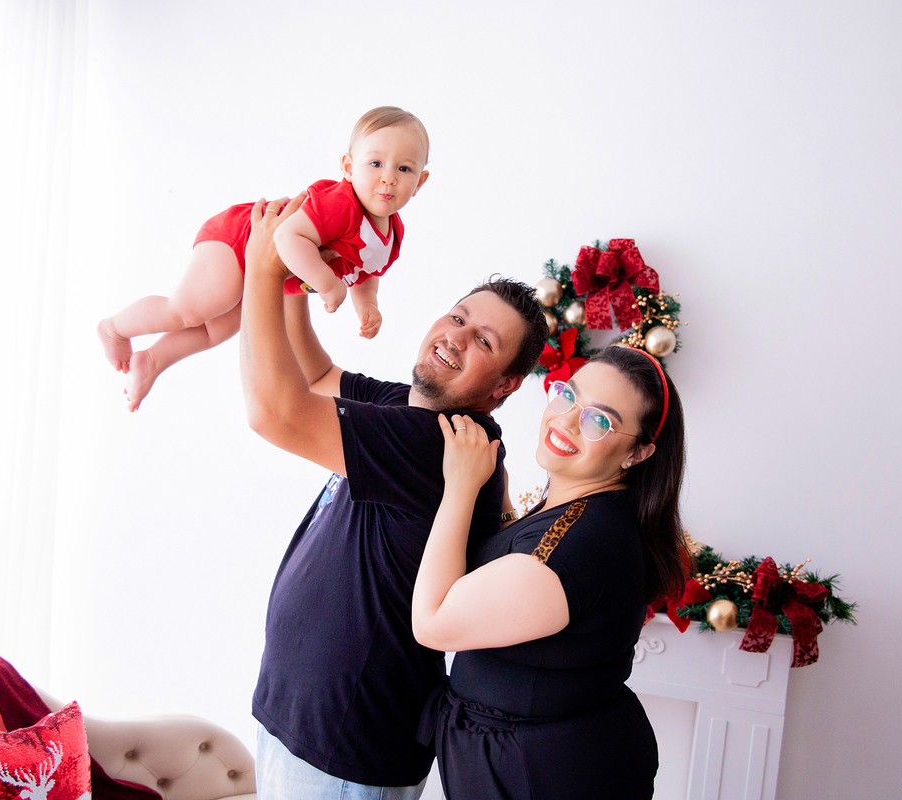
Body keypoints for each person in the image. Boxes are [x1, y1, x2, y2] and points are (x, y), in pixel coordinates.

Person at [237, 194, 548, 800]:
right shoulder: (404, 406)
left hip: (344, 748)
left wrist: (263, 268)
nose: (455, 338)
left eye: (484, 341)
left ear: (506, 386)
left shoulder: (445, 441)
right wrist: (295, 286)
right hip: (297, 720)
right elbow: (317, 380)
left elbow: (276, 411)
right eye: (458, 318)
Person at [412, 345, 688, 800]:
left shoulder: (583, 543)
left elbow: (433, 622)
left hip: (543, 777)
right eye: (566, 395)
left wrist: (460, 485)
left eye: (599, 420)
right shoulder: (585, 508)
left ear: (638, 454)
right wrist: (493, 487)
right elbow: (512, 555)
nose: (565, 420)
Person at [97, 106, 430, 411]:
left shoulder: (392, 235)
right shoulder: (341, 204)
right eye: (375, 163)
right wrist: (327, 283)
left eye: (404, 168)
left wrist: (367, 303)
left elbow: (366, 270)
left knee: (218, 330)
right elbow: (288, 237)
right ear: (348, 166)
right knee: (187, 311)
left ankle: (153, 361)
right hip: (241, 239)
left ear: (420, 182)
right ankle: (114, 328)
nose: (389, 177)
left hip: (263, 273)